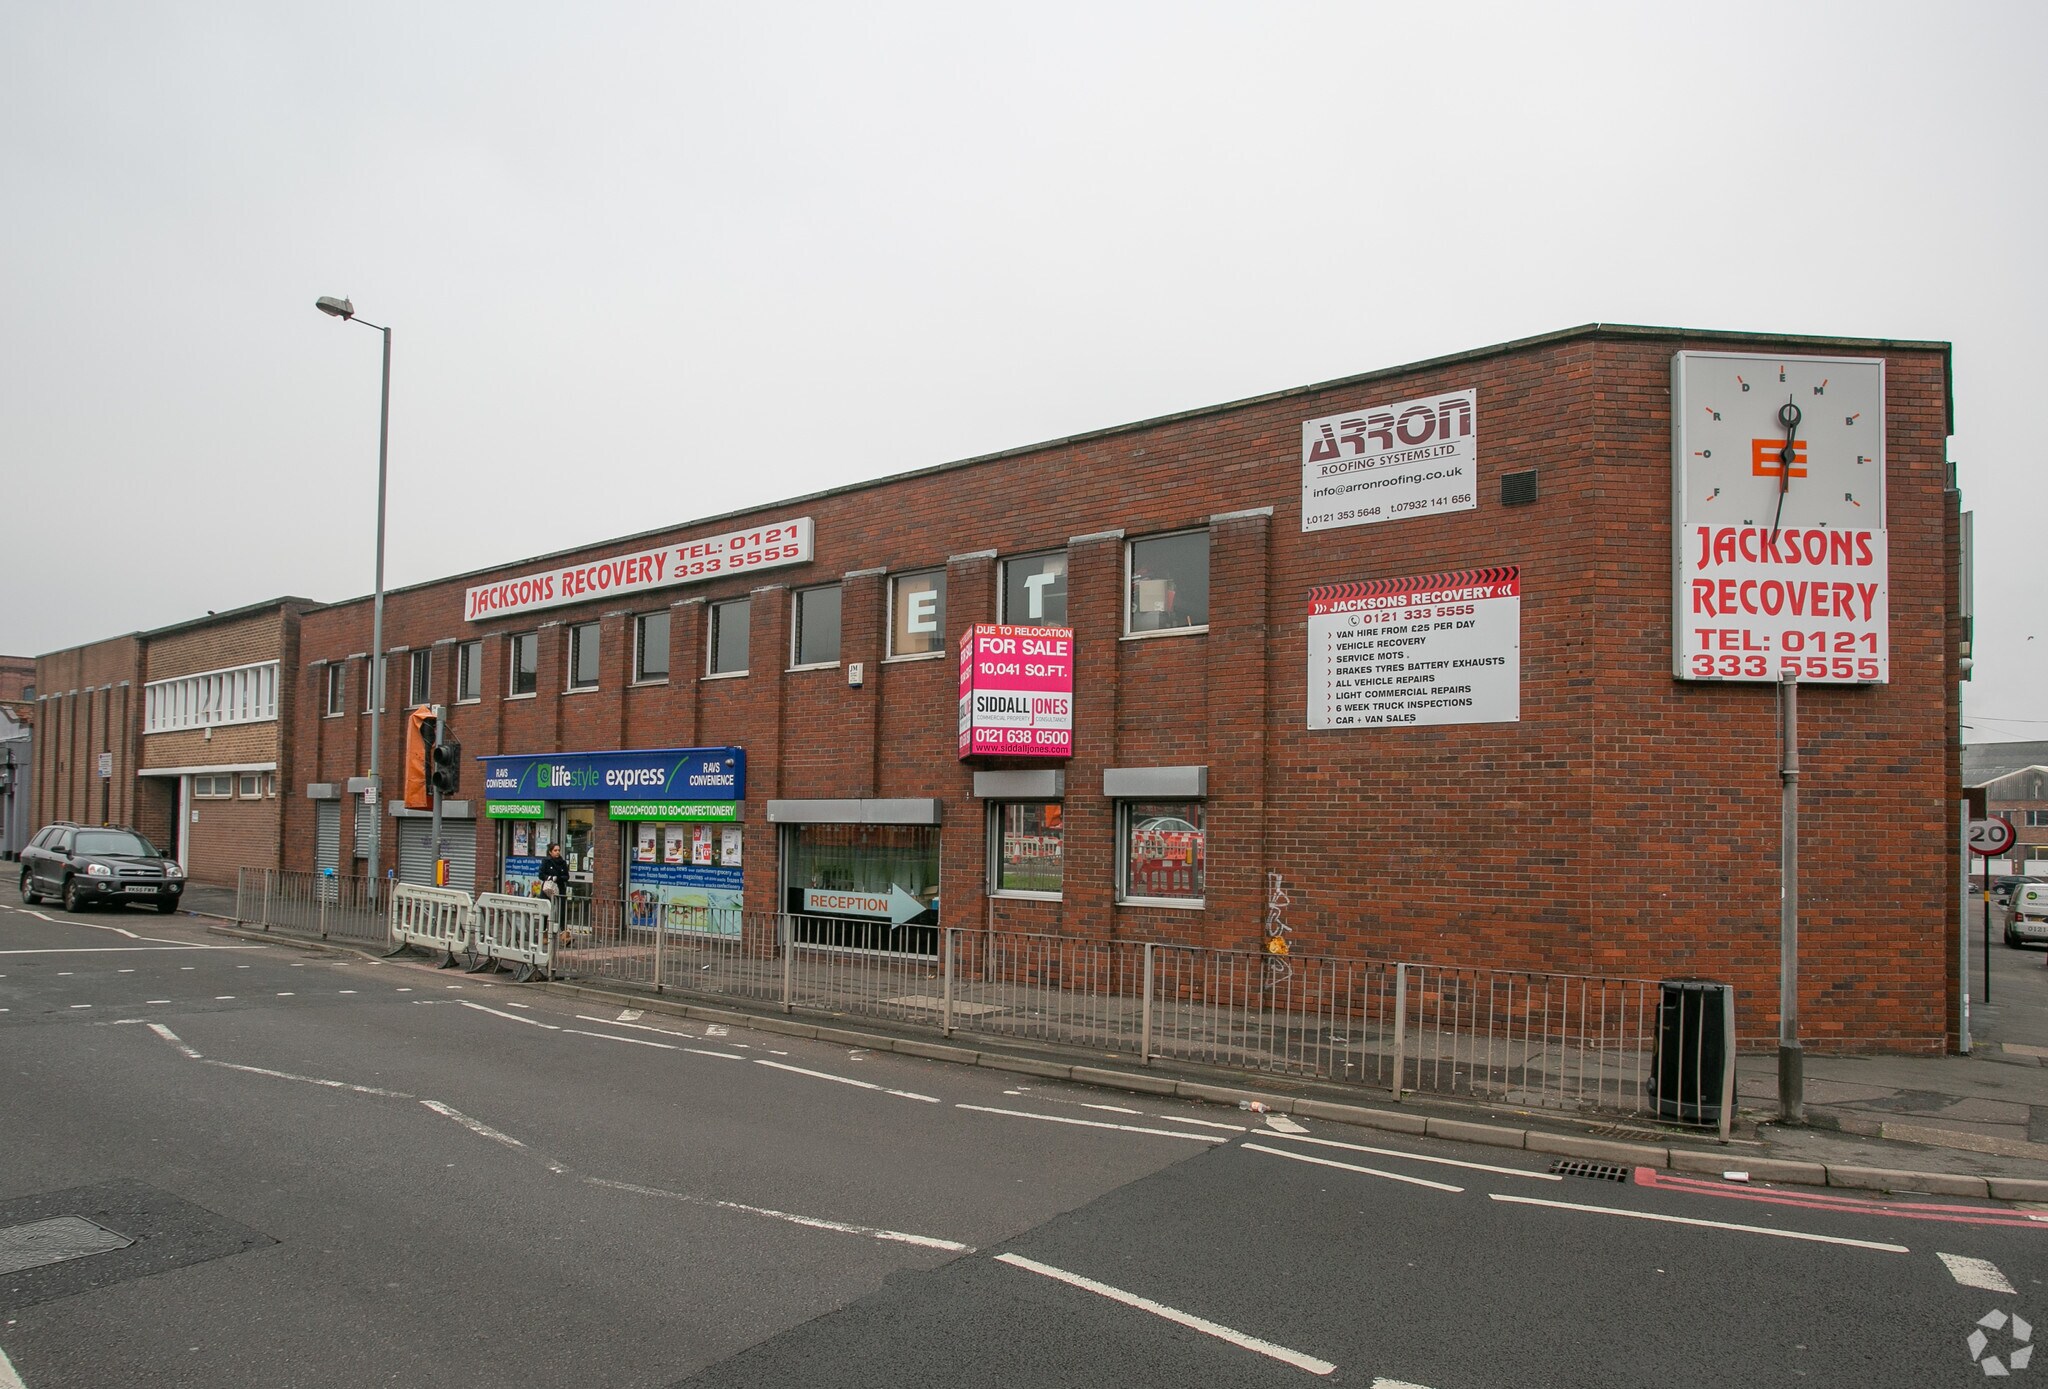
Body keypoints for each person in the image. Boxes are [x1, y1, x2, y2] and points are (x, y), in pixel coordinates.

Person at [537, 842, 570, 935]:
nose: (557, 852)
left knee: (561, 911)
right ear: (550, 852)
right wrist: (550, 878)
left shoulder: (562, 862)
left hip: (559, 889)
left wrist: (558, 878)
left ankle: (563, 932)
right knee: (545, 910)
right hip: (547, 889)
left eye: (558, 850)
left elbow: (566, 876)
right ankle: (543, 932)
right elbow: (541, 874)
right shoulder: (546, 861)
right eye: (555, 850)